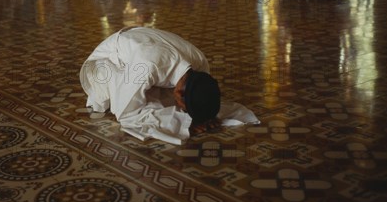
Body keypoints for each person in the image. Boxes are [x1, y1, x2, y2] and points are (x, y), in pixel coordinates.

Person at [80, 27, 259, 145]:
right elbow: (125, 111)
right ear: (179, 93)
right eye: (184, 107)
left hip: (147, 47)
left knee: (163, 102)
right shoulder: (146, 67)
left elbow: (202, 92)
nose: (183, 110)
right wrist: (183, 123)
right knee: (141, 112)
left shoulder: (200, 62)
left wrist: (203, 113)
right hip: (110, 60)